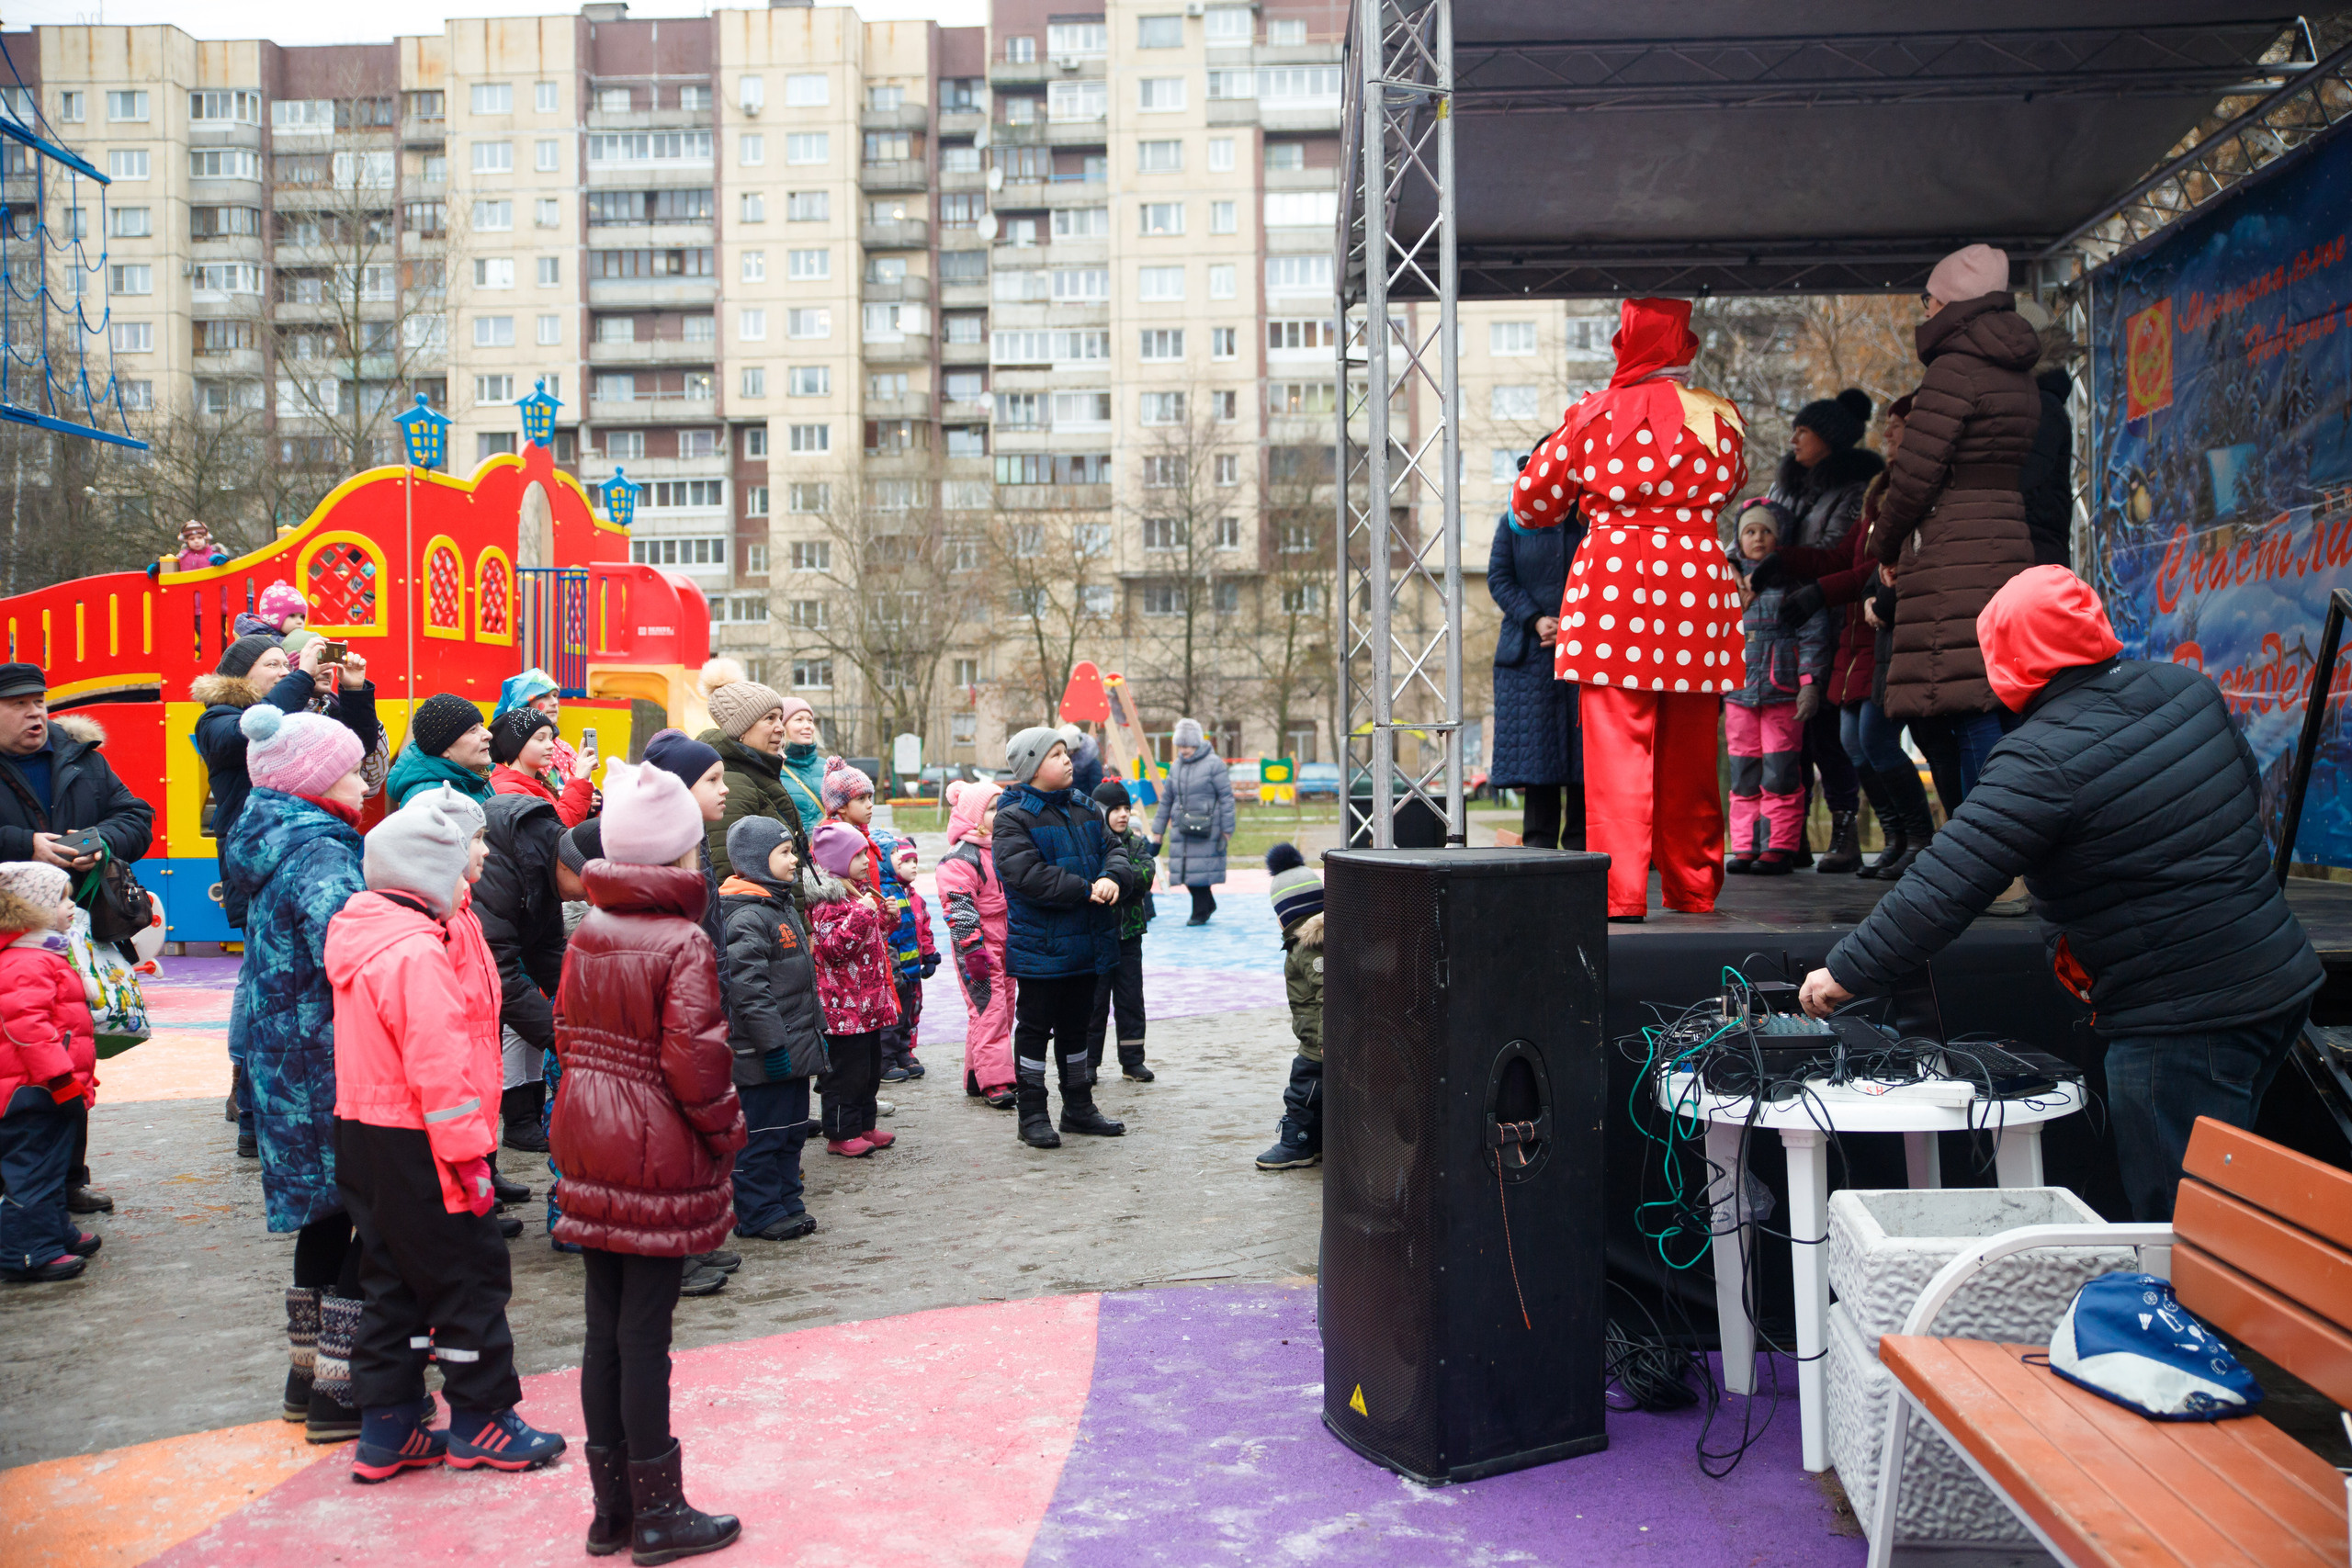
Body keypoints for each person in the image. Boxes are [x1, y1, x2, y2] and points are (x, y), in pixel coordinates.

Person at [1799, 568, 2325, 1222]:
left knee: (2185, 1227)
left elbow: (1944, 884)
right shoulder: (2187, 690)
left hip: (2183, 1019)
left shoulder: (2039, 757)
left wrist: (1846, 972)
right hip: (2278, 983)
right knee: (2233, 1201)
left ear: (2010, 661)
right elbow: (2245, 797)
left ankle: (2194, 1325)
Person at [325, 785, 565, 1483]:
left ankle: (388, 1425)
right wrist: (468, 1157)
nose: (484, 856)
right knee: (469, 1274)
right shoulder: (417, 954)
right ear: (433, 865)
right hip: (425, 1138)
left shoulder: (379, 930)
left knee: (393, 1276)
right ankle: (483, 1418)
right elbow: (438, 1062)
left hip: (368, 1131)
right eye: (473, 847)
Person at [551, 759, 745, 1562]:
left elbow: (566, 1032)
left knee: (605, 1329)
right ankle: (661, 1513)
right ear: (678, 854)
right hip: (655, 1145)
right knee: (645, 1334)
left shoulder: (591, 928)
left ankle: (612, 1510)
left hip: (588, 1132)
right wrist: (728, 1133)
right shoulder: (681, 941)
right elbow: (696, 1064)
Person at [1510, 295, 1749, 920]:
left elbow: (1533, 503)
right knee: (1693, 748)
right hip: (1698, 585)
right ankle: (1694, 886)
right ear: (1684, 345)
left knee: (1617, 748)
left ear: (1625, 345)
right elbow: (1736, 480)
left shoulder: (1589, 416)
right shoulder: (1720, 418)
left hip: (1614, 586)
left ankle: (1619, 894)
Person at [220, 704, 371, 1442]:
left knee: (326, 1216)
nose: (362, 778)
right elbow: (349, 953)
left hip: (285, 1060)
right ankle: (343, 1388)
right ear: (312, 780)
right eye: (348, 767)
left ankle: (305, 1372)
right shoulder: (322, 853)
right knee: (377, 1214)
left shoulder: (265, 838)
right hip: (331, 1061)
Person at [1874, 243, 2040, 803]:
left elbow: (1915, 475)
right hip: (2006, 536)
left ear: (1951, 302)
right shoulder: (2019, 372)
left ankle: (1984, 853)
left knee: (1966, 705)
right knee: (2000, 696)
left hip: (1951, 546)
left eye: (1930, 298)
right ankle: (2021, 850)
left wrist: (1885, 542)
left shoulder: (1952, 370)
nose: (1925, 309)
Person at [0, 662, 156, 1214]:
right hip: (5, 940)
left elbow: (137, 816)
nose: (35, 712)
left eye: (39, 701)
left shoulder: (81, 758)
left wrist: (99, 844)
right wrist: (25, 843)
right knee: (12, 1062)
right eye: (18, 704)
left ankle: (66, 1179)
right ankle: (21, 1194)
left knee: (69, 1050)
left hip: (70, 934)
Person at [1761, 396, 1937, 880]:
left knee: (1874, 739)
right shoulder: (1877, 492)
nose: (1888, 436)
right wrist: (1787, 560)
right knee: (1852, 740)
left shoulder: (1901, 491)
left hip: (1884, 628)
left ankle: (1919, 838)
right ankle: (1897, 835)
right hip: (1856, 635)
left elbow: (1869, 566)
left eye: (1899, 427)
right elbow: (1846, 556)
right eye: (1888, 427)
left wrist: (1819, 591)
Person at [995, 728, 1132, 1148]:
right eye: (1056, 755)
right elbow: (1025, 874)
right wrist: (1083, 887)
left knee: (1078, 1028)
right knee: (1035, 1029)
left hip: (1088, 943)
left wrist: (1113, 877)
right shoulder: (1013, 816)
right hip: (1042, 947)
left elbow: (1117, 849)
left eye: (1066, 752)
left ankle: (1078, 1107)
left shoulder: (1086, 807)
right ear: (1032, 768)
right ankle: (1032, 1113)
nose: (1068, 760)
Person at [1765, 389, 1884, 871]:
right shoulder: (1787, 483)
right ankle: (1789, 835)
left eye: (1804, 430)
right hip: (1782, 623)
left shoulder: (1856, 490)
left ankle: (1844, 832)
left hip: (1833, 623)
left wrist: (1780, 559)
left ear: (1829, 439)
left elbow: (1838, 557)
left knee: (1828, 736)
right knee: (1784, 731)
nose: (1793, 439)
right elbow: (1761, 529)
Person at [718, 816, 826, 1243]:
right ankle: (758, 1211)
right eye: (783, 852)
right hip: (764, 1055)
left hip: (795, 1048)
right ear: (756, 862)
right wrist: (773, 1045)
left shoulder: (778, 905)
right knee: (760, 1136)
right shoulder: (746, 916)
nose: (794, 858)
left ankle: (787, 1200)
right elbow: (749, 992)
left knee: (791, 1132)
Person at [0, 861, 100, 1282]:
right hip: (34, 1090)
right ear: (33, 908)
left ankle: (54, 1232)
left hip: (48, 1087)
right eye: (61, 899)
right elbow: (27, 1027)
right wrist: (61, 1078)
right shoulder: (27, 962)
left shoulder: (44, 953)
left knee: (52, 1166)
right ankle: (27, 1251)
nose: (71, 906)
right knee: (33, 1170)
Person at [195, 636, 374, 863]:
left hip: (306, 841)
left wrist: (354, 690)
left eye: (287, 666)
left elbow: (353, 750)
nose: (284, 672)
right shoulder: (216, 718)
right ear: (240, 676)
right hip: (255, 852)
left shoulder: (290, 709)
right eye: (272, 665)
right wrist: (304, 676)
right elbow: (252, 729)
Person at [1724, 500, 1829, 874]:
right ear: (1738, 538)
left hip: (1782, 693)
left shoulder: (1791, 587)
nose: (1758, 538)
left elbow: (1813, 636)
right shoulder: (1726, 583)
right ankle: (1746, 844)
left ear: (1779, 539)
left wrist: (1809, 683)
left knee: (1781, 771)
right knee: (1744, 772)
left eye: (1766, 531)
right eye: (1750, 531)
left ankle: (1779, 845)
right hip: (1738, 694)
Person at [1487, 461, 1587, 850]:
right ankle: (1538, 851)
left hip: (1586, 651)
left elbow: (1608, 576)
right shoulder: (1514, 523)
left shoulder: (1594, 522)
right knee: (1538, 759)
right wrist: (1536, 619)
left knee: (1586, 761)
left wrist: (1575, 624)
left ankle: (1583, 850)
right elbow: (1499, 577)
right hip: (1528, 656)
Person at [477, 772, 573, 1156]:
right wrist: (566, 1039)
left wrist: (594, 1008)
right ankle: (477, 1181)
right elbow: (498, 972)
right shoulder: (504, 865)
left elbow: (548, 954)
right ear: (571, 867)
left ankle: (486, 1175)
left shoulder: (545, 865)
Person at [806, 821, 899, 1157]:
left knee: (870, 1072)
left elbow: (870, 942)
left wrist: (887, 917)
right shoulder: (827, 901)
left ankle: (864, 1125)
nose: (864, 860)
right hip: (843, 1012)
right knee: (847, 1075)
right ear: (836, 860)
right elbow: (832, 948)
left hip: (868, 1005)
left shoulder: (859, 892)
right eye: (857, 854)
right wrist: (862, 913)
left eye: (864, 853)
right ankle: (840, 1132)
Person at [937, 779, 1015, 1108]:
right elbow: (959, 907)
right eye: (992, 809)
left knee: (1004, 1006)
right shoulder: (960, 858)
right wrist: (972, 949)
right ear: (973, 815)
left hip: (1007, 937)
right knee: (989, 1008)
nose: (1000, 814)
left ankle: (976, 1073)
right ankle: (996, 1081)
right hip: (977, 944)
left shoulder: (1002, 848)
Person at [695, 660, 808, 880]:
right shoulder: (731, 784)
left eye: (779, 717)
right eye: (769, 718)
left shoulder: (757, 773)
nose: (780, 728)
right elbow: (730, 875)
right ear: (741, 730)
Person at [1255, 845, 1325, 1170]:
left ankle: (1297, 1142)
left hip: (1318, 1044)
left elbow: (1328, 993)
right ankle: (1318, 1140)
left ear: (1286, 913)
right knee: (1321, 1094)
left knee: (1303, 1092)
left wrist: (1326, 1040)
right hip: (1318, 1038)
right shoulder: (1311, 941)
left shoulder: (1309, 946)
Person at [1084, 780, 1156, 1084]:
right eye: (1116, 809)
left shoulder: (1135, 843)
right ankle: (1089, 1063)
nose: (1124, 815)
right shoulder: (1089, 844)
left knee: (1130, 1000)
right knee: (1094, 1003)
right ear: (1101, 812)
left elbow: (1145, 874)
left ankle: (1132, 1060)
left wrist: (1116, 881)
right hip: (1097, 938)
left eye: (1127, 808)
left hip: (1129, 937)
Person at [1150, 718, 1234, 925]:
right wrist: (1157, 831)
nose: (1183, 750)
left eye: (1187, 745)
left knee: (1199, 871)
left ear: (1197, 743)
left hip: (1207, 828)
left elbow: (1226, 797)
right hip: (1182, 828)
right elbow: (1167, 798)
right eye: (1180, 745)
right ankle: (1207, 905)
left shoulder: (1214, 764)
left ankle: (1200, 911)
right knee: (1186, 871)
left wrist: (1227, 830)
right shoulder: (1176, 766)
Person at [2014, 299, 2076, 570]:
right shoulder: (2034, 401)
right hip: (2027, 549)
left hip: (2034, 555)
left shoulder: (2044, 407)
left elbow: (2024, 481)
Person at [872, 831, 937, 1083]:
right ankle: (885, 1061)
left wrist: (928, 955)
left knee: (907, 1015)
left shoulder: (904, 892)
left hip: (910, 970)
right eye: (894, 854)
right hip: (894, 970)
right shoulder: (882, 891)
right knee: (891, 1018)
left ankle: (902, 1052)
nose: (899, 859)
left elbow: (920, 929)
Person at [488, 706, 596, 829]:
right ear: (515, 746)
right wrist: (580, 780)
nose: (551, 745)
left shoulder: (536, 784)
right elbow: (556, 832)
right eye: (540, 739)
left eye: (550, 738)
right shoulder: (508, 790)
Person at [386, 693, 495, 807]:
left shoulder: (475, 778)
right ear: (444, 749)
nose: (488, 735)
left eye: (481, 726)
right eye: (473, 730)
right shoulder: (431, 799)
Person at [493, 669, 587, 784]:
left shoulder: (565, 748)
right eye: (544, 696)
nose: (554, 702)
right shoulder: (514, 752)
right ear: (524, 705)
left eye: (555, 696)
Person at [773, 699, 832, 834]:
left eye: (810, 720)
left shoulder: (827, 767)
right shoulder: (774, 768)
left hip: (828, 848)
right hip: (794, 851)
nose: (808, 726)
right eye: (799, 720)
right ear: (782, 726)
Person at [235, 581, 308, 641]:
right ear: (274, 617)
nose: (299, 621)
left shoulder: (282, 634)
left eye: (302, 617)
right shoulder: (261, 637)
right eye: (292, 616)